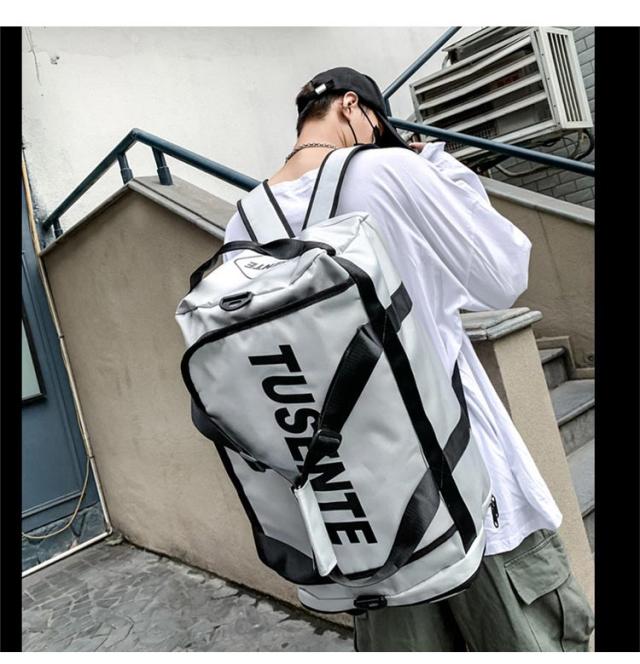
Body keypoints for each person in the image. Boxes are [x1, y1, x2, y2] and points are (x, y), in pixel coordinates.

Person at [223, 66, 595, 652]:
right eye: (378, 125)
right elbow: (502, 278)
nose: (378, 137)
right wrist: (440, 166)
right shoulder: (389, 169)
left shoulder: (242, 223)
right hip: (463, 476)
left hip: (360, 515)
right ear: (352, 106)